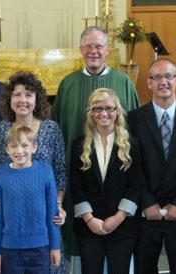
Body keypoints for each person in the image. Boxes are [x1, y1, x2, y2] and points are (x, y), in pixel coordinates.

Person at [52, 25, 140, 260]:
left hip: (118, 187)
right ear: (80, 49)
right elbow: (58, 129)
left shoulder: (123, 82)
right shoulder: (67, 84)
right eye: (88, 46)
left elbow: (134, 133)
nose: (93, 51)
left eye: (99, 46)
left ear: (107, 49)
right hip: (79, 183)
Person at [127, 58, 176, 274]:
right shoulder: (132, 120)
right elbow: (132, 167)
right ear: (149, 83)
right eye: (157, 77)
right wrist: (146, 202)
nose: (164, 81)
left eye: (169, 76)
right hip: (146, 214)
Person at [0, 71, 68, 273]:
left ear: (37, 99)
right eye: (17, 95)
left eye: (29, 95)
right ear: (9, 99)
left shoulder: (51, 129)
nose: (23, 100)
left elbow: (60, 172)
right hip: (11, 222)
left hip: (43, 222)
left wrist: (57, 205)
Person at [70, 88, 142, 274]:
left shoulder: (131, 145)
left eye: (109, 108)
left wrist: (118, 217)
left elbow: (136, 185)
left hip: (122, 227)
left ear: (117, 111)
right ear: (91, 113)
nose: (104, 113)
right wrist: (89, 219)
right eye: (98, 108)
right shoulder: (79, 145)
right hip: (89, 227)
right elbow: (76, 186)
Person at [0, 125, 61, 274]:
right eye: (13, 146)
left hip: (40, 248)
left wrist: (55, 246)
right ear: (7, 149)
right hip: (9, 249)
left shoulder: (45, 171)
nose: (19, 151)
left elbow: (52, 213)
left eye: (24, 145)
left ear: (34, 147)